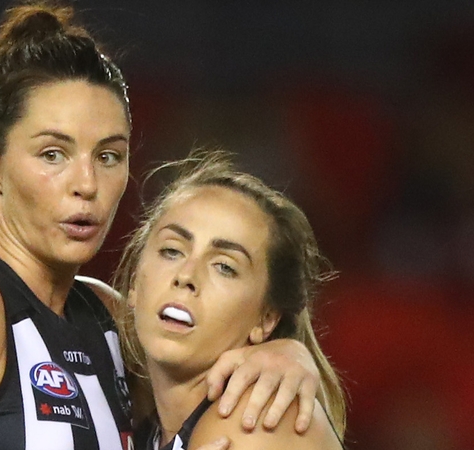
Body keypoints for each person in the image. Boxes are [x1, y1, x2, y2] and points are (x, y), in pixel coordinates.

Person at [0, 2, 325, 449]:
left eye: (108, 157)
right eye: (53, 154)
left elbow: (211, 378)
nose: (86, 184)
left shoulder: (111, 317)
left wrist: (285, 356)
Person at [113, 149, 348, 449]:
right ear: (134, 281)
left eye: (224, 267)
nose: (186, 276)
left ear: (267, 318)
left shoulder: (255, 420)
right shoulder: (147, 425)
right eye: (172, 251)